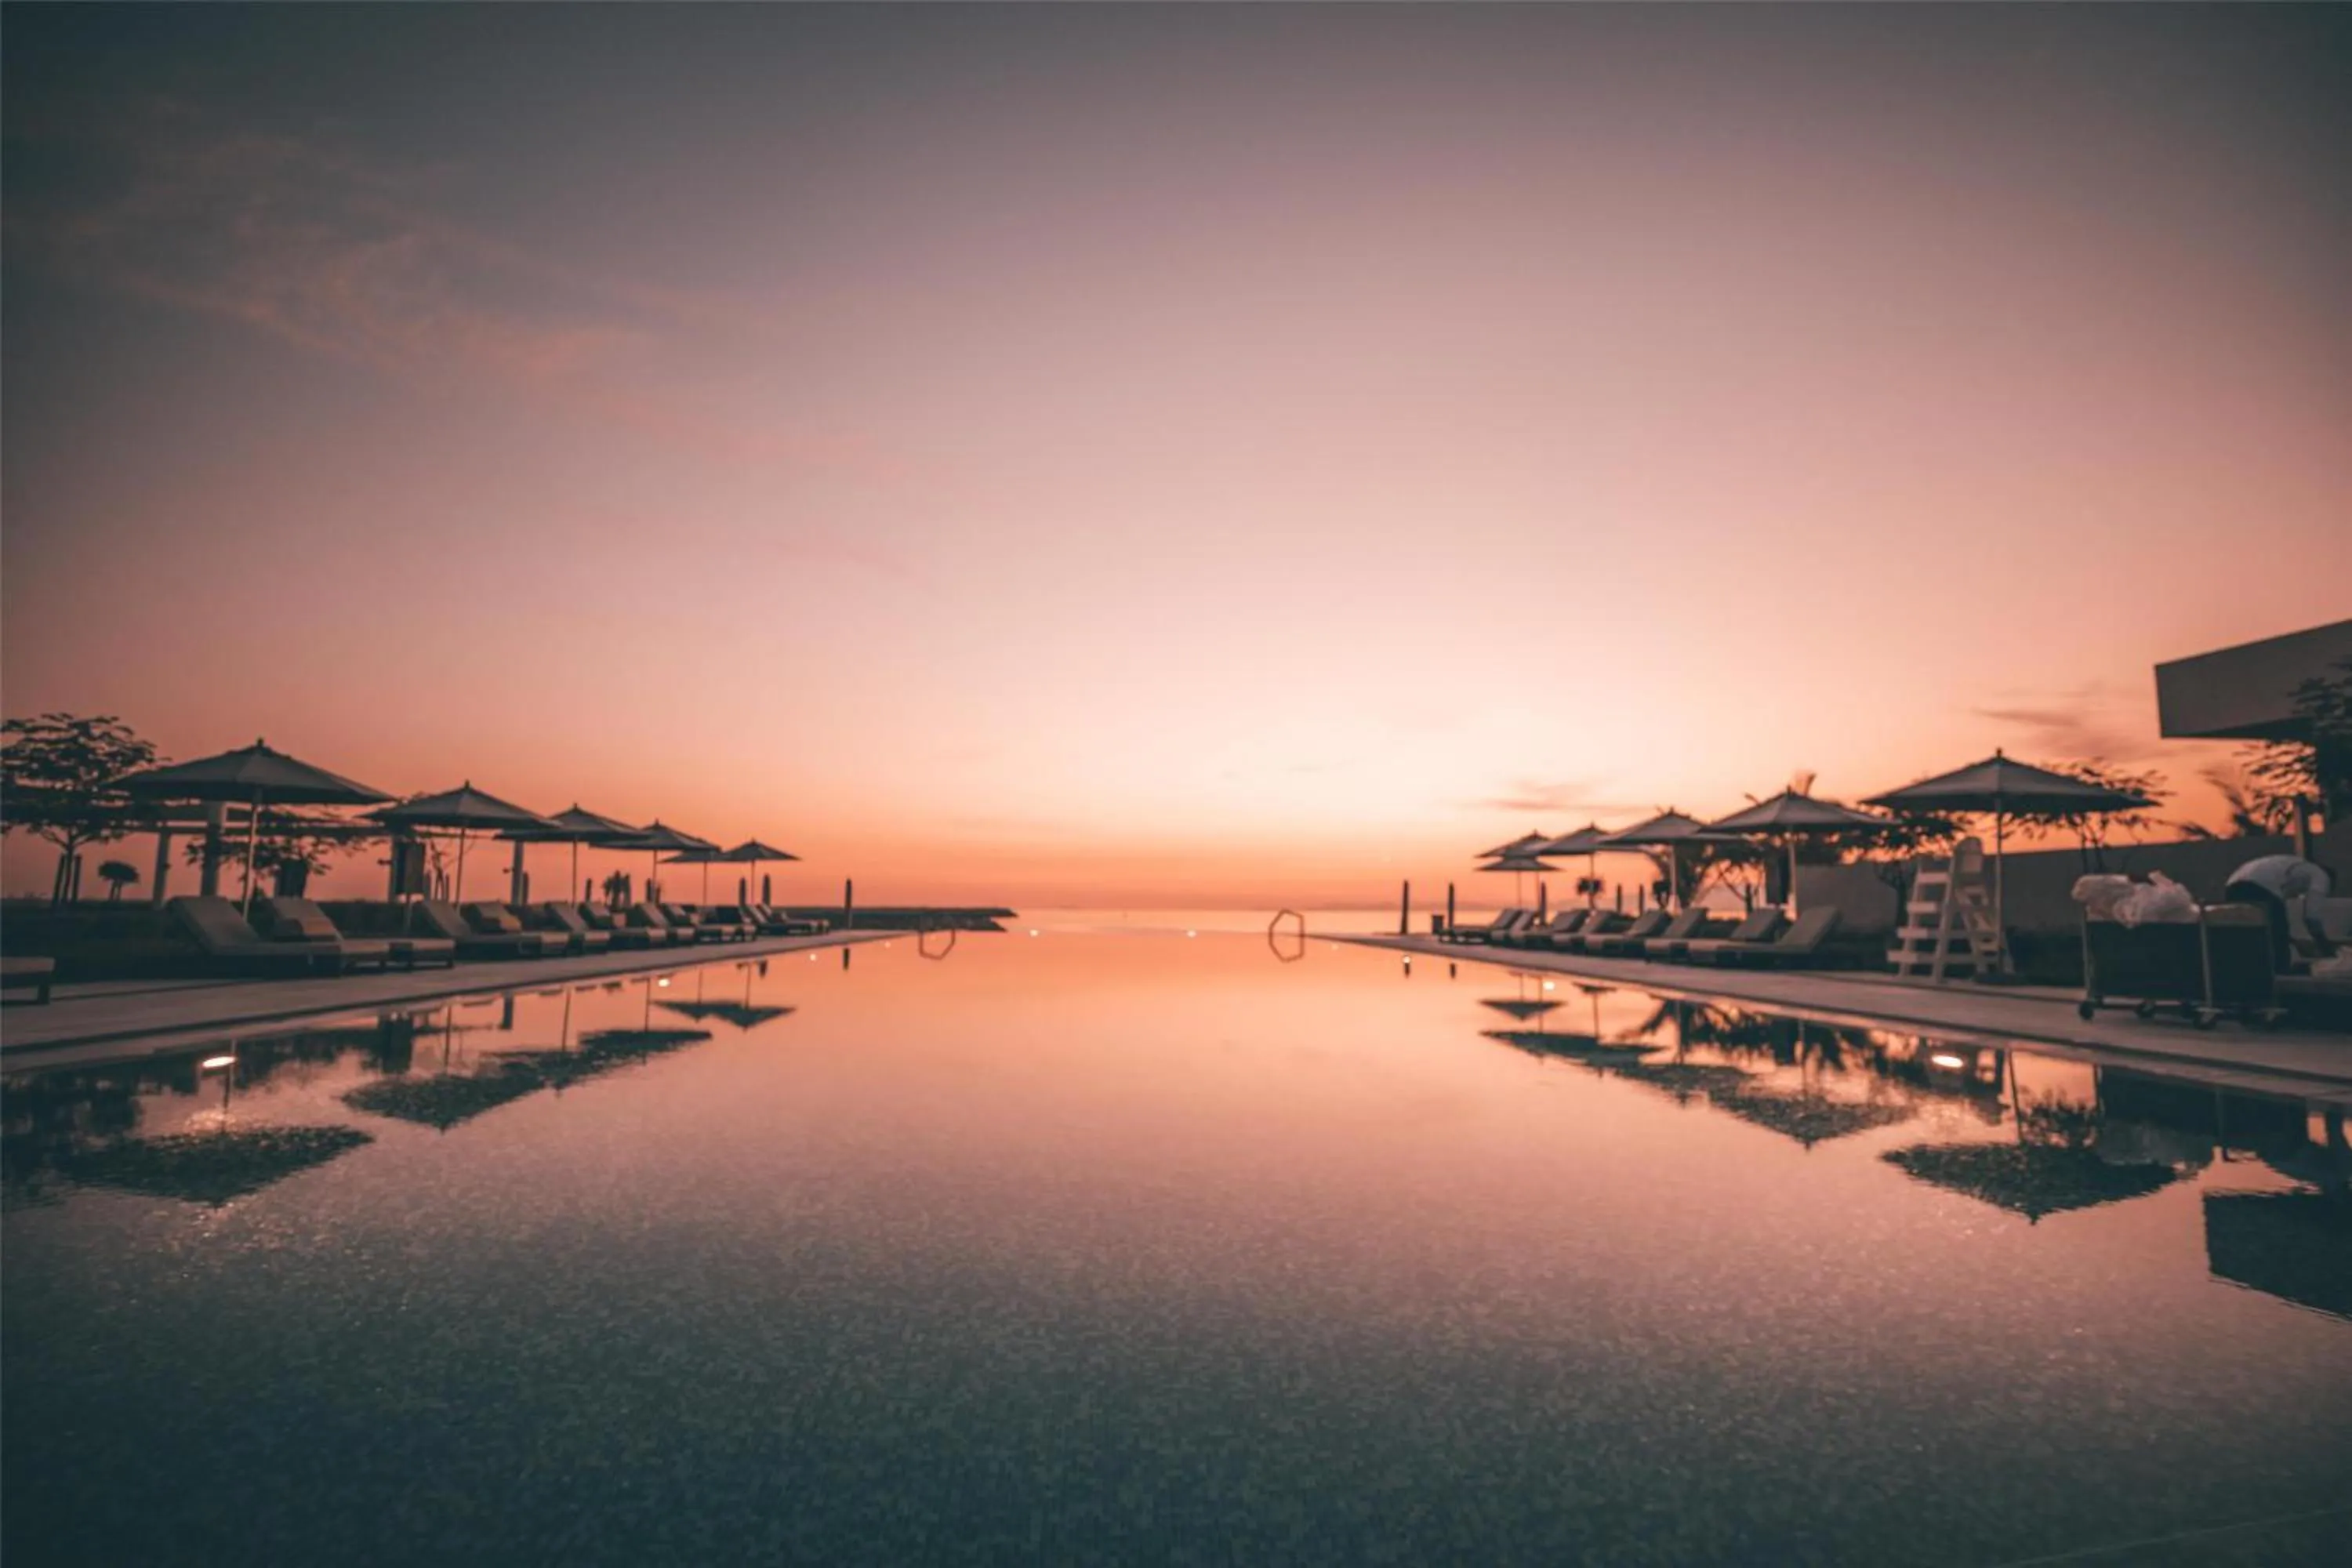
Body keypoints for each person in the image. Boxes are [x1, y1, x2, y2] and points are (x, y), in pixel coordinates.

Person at [2223, 855, 2333, 971]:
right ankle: (2281, 970)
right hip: (2260, 885)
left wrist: (2292, 940)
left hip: (2233, 885)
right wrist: (2324, 945)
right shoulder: (2321, 875)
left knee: (2253, 932)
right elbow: (2311, 916)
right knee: (2278, 934)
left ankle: (2253, 969)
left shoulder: (2296, 867)